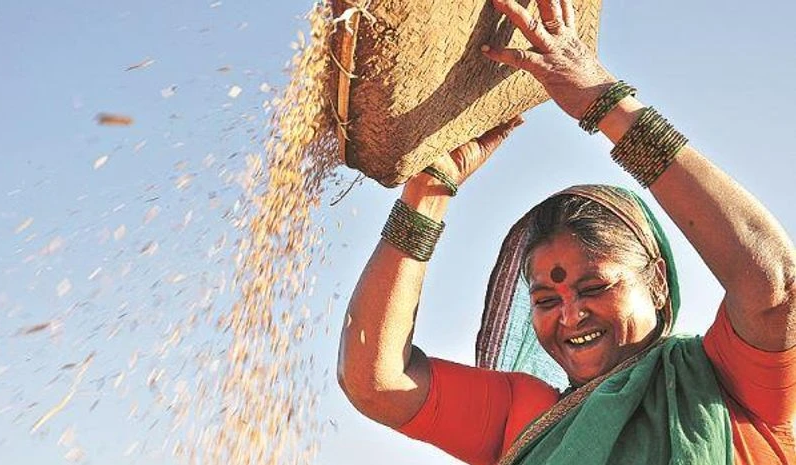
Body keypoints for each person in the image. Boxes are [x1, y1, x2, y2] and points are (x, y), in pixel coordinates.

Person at [337, 0, 796, 463]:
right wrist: (426, 197)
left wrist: (603, 101)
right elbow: (375, 381)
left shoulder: (728, 380)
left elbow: (775, 285)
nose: (571, 316)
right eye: (546, 300)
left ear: (657, 280)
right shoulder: (528, 416)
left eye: (593, 286)